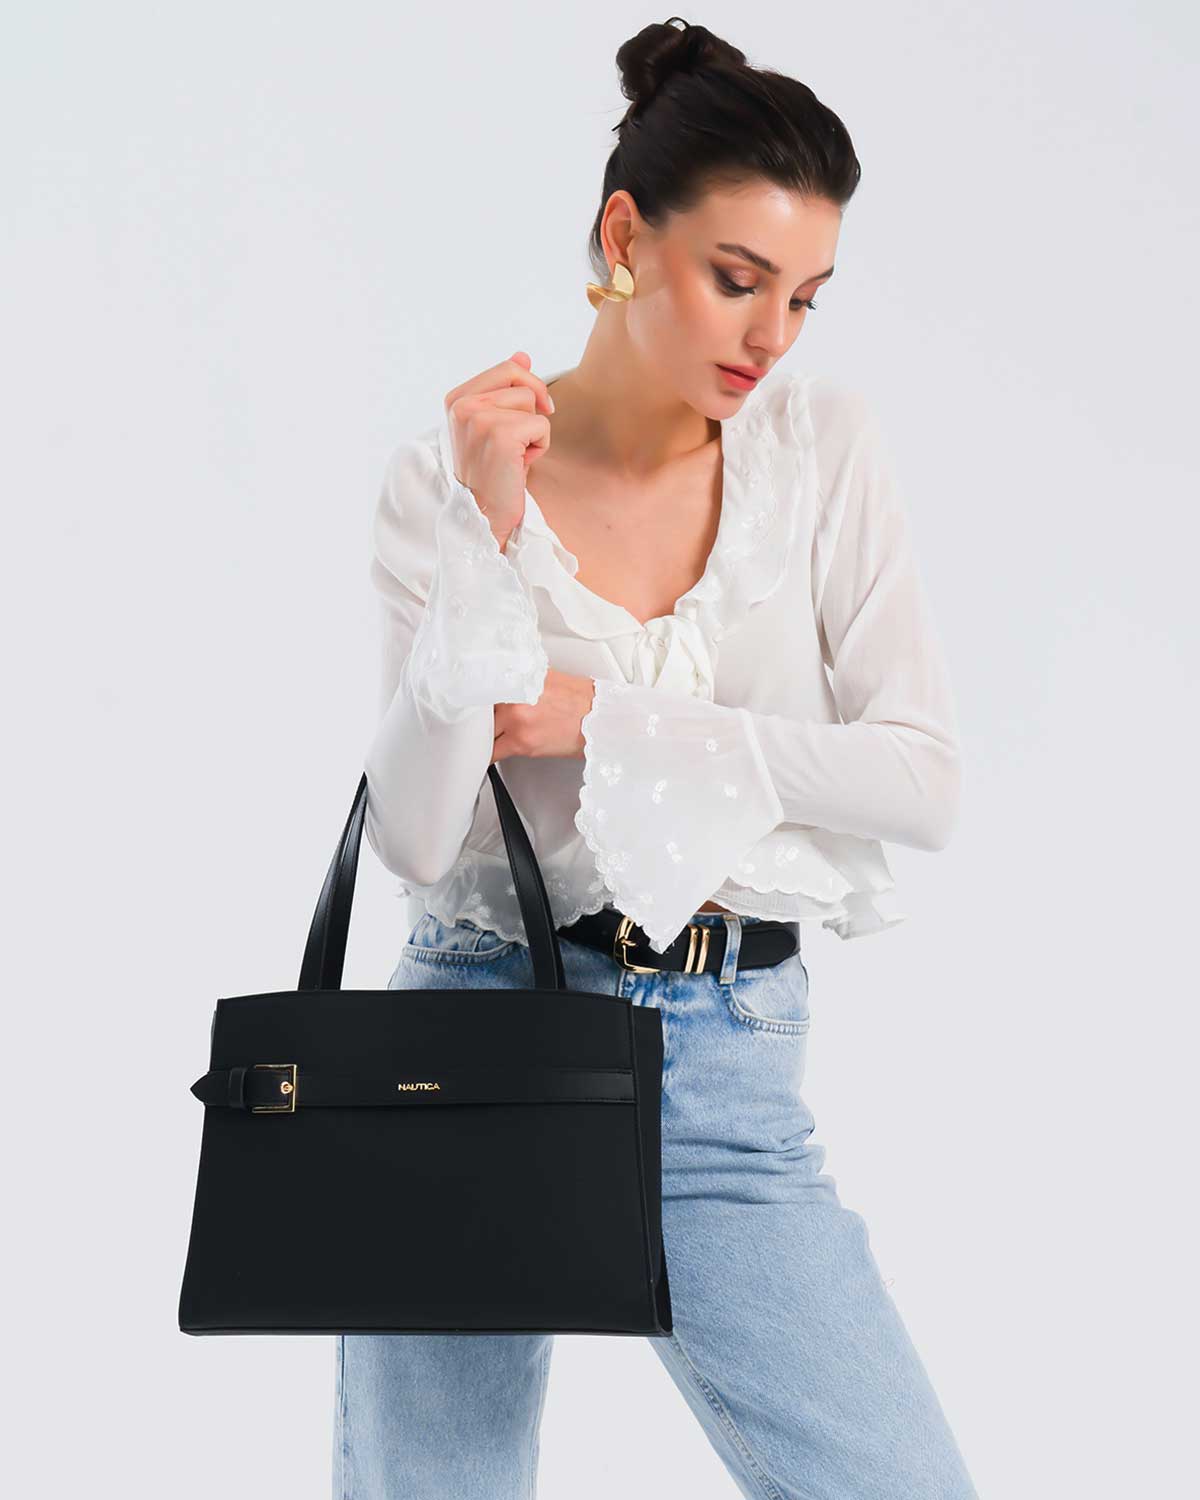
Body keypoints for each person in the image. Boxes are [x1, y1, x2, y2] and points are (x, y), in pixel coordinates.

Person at [334, 16, 978, 1500]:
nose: (772, 336)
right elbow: (416, 839)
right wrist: (484, 538)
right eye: (737, 281)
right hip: (474, 1043)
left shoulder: (819, 450)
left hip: (726, 1070)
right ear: (626, 237)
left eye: (804, 297)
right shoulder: (449, 477)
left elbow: (922, 779)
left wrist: (613, 720)